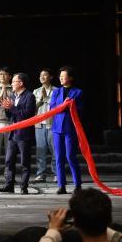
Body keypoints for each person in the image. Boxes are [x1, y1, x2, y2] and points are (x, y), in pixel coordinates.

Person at [0, 73, 36, 194]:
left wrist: (12, 107)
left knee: (25, 162)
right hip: (13, 133)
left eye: (14, 81)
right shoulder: (12, 96)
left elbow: (27, 114)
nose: (12, 84)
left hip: (24, 134)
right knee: (9, 160)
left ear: (21, 83)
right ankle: (9, 185)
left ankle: (24, 187)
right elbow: (10, 115)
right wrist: (7, 108)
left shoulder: (30, 96)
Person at [49, 66, 84, 195]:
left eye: (64, 76)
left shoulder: (78, 92)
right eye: (60, 76)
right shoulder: (56, 92)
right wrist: (63, 104)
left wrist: (71, 105)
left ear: (71, 78)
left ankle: (78, 185)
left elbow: (80, 110)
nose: (61, 78)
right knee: (59, 157)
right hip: (57, 128)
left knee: (70, 156)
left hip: (70, 128)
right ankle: (61, 186)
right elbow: (52, 107)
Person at [33, 69, 58, 183]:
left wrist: (47, 99)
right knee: (40, 151)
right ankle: (41, 174)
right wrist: (40, 100)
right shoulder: (36, 91)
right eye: (40, 75)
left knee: (55, 150)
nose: (42, 77)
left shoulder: (57, 91)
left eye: (45, 75)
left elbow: (57, 106)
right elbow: (32, 108)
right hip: (39, 124)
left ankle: (56, 174)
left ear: (50, 77)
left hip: (53, 124)